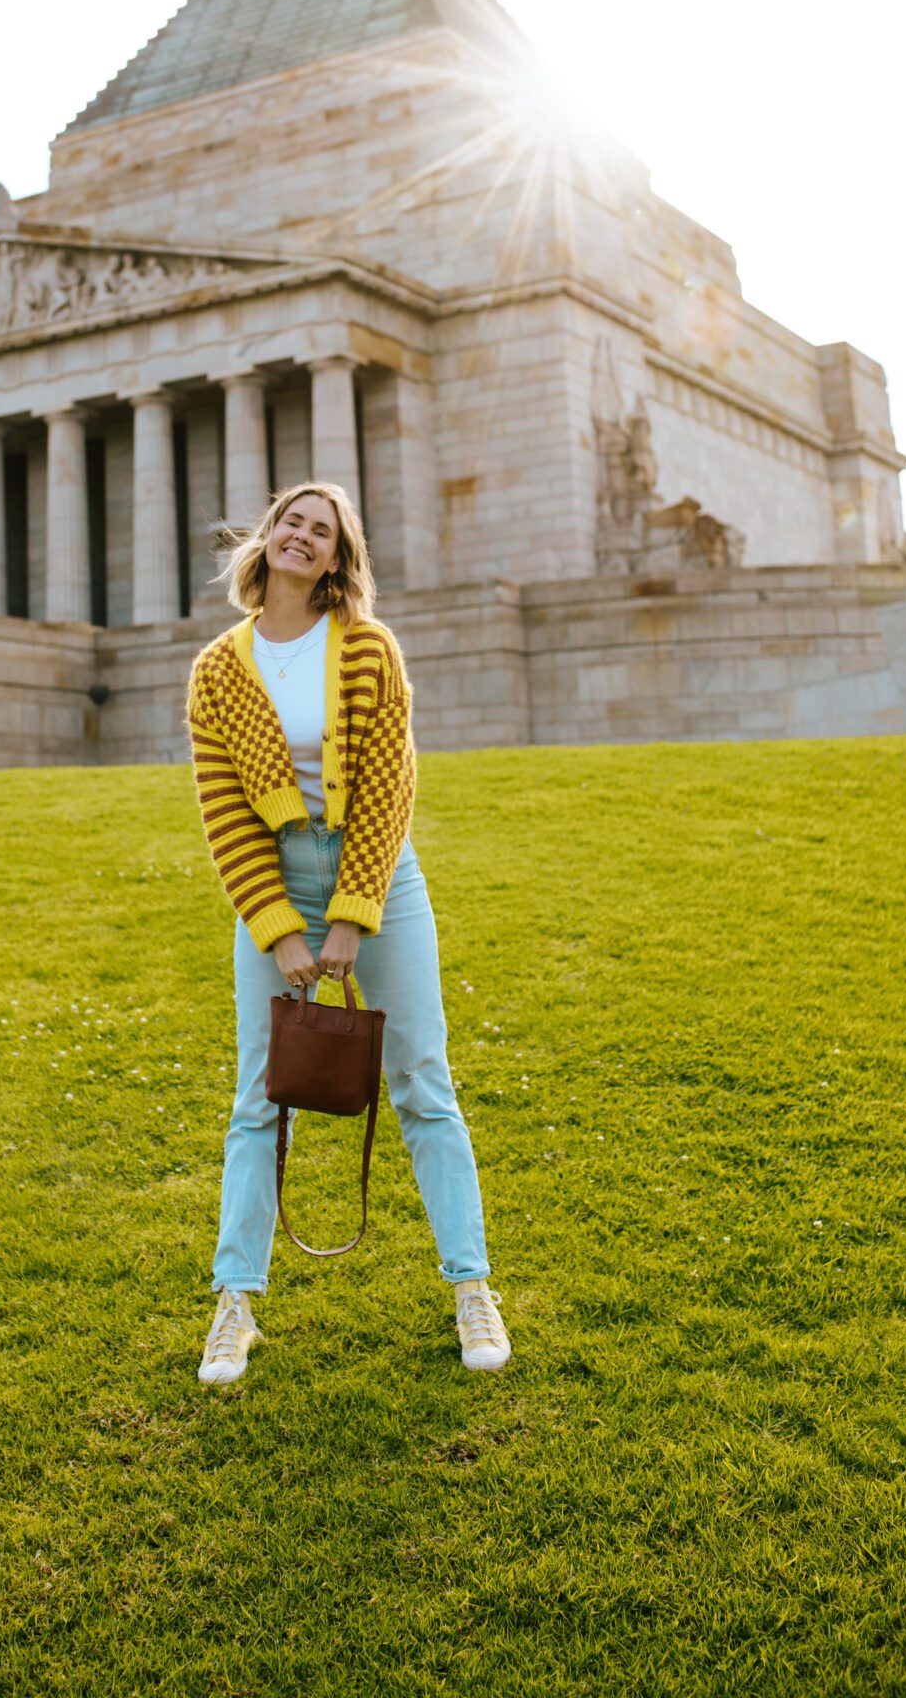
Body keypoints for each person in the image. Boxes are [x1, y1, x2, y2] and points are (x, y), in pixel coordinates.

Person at [185, 478, 511, 1386]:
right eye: (290, 521)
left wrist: (353, 915)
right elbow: (223, 810)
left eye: (321, 531)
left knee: (422, 1082)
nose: (302, 536)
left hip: (381, 879)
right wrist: (281, 927)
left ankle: (472, 1289)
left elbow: (389, 787)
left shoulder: (368, 648)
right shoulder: (219, 667)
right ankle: (234, 1305)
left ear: (338, 560)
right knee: (259, 1098)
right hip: (274, 882)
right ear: (267, 540)